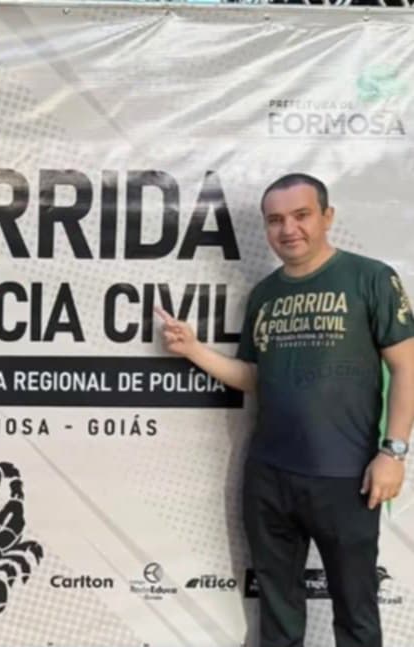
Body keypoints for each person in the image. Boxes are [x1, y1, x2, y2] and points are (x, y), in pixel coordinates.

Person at [157, 173, 414, 647]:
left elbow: (406, 366)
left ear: (327, 217)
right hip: (270, 476)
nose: (287, 229)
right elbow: (256, 378)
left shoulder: (371, 278)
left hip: (347, 479)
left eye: (301, 215)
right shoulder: (265, 294)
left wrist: (393, 452)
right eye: (275, 220)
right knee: (277, 616)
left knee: (357, 614)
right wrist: (194, 350)